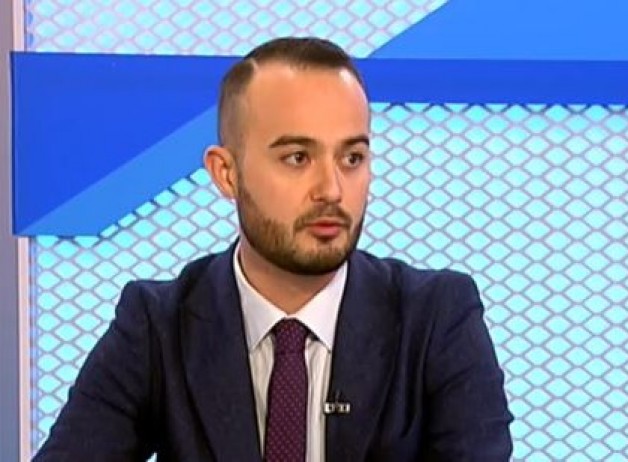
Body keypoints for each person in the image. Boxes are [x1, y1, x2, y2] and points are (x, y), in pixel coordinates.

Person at [33, 36, 513, 461]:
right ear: (226, 173)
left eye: (352, 157)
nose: (331, 189)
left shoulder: (437, 319)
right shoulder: (157, 326)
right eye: (298, 158)